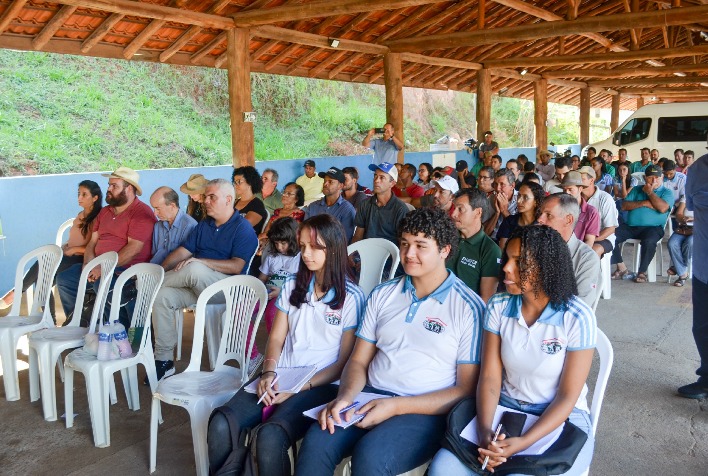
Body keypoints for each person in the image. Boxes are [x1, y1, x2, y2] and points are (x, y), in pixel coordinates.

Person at [296, 207, 484, 475]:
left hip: (424, 411)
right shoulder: (383, 294)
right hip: (368, 396)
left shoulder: (468, 307)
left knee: (371, 457)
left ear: (444, 250)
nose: (408, 254)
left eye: (421, 246)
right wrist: (345, 397)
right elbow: (359, 360)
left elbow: (465, 389)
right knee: (317, 440)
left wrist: (395, 406)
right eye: (405, 244)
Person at [428, 225, 596, 476]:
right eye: (508, 258)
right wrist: (485, 433)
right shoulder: (499, 305)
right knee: (442, 469)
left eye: (520, 262)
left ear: (546, 267)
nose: (506, 267)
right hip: (504, 410)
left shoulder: (577, 317)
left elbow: (566, 398)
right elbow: (490, 378)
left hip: (559, 418)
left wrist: (522, 443)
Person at [207, 214, 366, 476]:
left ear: (334, 248)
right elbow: (277, 338)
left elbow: (343, 364)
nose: (306, 253)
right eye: (303, 246)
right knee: (222, 422)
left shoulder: (352, 297)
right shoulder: (293, 286)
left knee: (271, 436)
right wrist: (268, 372)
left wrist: (296, 389)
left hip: (321, 383)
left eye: (315, 247)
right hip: (281, 375)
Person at [150, 179, 258, 381]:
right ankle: (164, 361)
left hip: (227, 290)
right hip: (197, 287)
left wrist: (201, 261)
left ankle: (145, 288)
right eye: (205, 196)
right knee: (161, 296)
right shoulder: (204, 225)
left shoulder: (242, 228)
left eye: (211, 197)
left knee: (195, 267)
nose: (205, 201)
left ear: (228, 199)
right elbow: (183, 251)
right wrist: (160, 270)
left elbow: (237, 266)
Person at [56, 167, 155, 329]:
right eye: (109, 185)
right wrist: (88, 266)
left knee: (102, 283)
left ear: (129, 188)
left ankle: (113, 332)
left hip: (124, 270)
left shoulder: (141, 213)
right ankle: (80, 325)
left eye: (114, 186)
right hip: (98, 267)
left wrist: (103, 268)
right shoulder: (105, 212)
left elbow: (133, 249)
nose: (108, 189)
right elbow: (92, 243)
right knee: (65, 279)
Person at [0, 180, 103, 318]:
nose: (79, 198)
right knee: (43, 272)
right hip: (68, 254)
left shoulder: (99, 218)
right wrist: (66, 245)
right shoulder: (81, 215)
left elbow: (96, 247)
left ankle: (18, 294)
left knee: (43, 270)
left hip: (81, 258)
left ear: (95, 197)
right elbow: (76, 237)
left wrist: (73, 250)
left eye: (84, 195)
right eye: (78, 194)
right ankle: (47, 319)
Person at [678, 140, 708, 399]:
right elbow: (691, 205)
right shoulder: (698, 170)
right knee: (702, 327)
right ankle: (707, 379)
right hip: (704, 267)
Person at [611, 165, 672, 283]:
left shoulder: (666, 192)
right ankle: (622, 267)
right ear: (645, 178)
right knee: (610, 236)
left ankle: (642, 272)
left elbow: (663, 208)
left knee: (649, 241)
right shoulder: (636, 189)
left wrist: (650, 193)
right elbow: (624, 206)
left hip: (654, 228)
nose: (654, 180)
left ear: (662, 177)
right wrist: (644, 203)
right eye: (651, 177)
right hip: (631, 226)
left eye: (657, 177)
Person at [537, 193, 600, 307]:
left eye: (548, 215)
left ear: (568, 220)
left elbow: (580, 307)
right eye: (540, 214)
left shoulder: (586, 259)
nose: (540, 219)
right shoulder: (534, 248)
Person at [449, 188, 501, 303]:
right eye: (454, 208)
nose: (453, 214)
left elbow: (485, 300)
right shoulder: (447, 238)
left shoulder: (490, 250)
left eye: (460, 209)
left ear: (478, 212)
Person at [257, 217, 301, 333]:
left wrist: (281, 292)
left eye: (283, 243)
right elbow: (262, 278)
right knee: (239, 311)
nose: (279, 247)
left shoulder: (300, 258)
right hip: (267, 293)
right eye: (276, 243)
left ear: (294, 240)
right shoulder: (272, 256)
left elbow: (303, 284)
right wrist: (260, 289)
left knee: (272, 315)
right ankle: (252, 351)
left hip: (286, 295)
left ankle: (278, 348)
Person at [351, 162, 409, 245]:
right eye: (375, 176)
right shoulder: (365, 205)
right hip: (366, 253)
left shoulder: (400, 209)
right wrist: (353, 254)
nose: (376, 180)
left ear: (392, 183)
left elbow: (403, 242)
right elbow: (358, 236)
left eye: (382, 177)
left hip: (390, 256)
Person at [304, 167, 357, 242]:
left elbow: (344, 240)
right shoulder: (312, 207)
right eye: (325, 181)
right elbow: (305, 233)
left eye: (330, 182)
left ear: (340, 186)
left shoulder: (347, 210)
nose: (325, 184)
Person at [149, 187, 197, 266]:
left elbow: (187, 259)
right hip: (153, 270)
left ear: (172, 206)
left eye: (158, 209)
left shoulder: (189, 225)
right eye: (153, 208)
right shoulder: (158, 226)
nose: (155, 213)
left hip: (175, 272)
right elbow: (154, 254)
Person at [580, 168, 619, 258]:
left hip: (603, 238)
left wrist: (591, 240)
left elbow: (611, 228)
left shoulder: (605, 198)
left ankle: (592, 272)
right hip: (581, 237)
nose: (579, 182)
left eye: (582, 179)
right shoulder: (576, 198)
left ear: (591, 180)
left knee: (592, 252)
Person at [497, 181, 544, 250]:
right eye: (519, 195)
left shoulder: (542, 225)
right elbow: (502, 251)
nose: (519, 201)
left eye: (525, 197)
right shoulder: (509, 221)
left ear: (536, 202)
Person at [561, 171, 600, 248]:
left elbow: (589, 241)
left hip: (578, 253)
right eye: (564, 190)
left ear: (580, 189)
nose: (566, 193)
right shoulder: (558, 208)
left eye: (570, 189)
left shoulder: (591, 212)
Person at [232, 166, 268, 235]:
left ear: (250, 183)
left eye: (239, 182)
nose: (236, 185)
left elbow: (242, 227)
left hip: (247, 242)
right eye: (234, 182)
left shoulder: (257, 205)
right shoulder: (235, 202)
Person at [485, 169, 518, 240]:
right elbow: (485, 233)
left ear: (512, 186)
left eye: (502, 184)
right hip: (492, 240)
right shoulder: (491, 198)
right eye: (495, 184)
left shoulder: (520, 200)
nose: (497, 188)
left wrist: (504, 210)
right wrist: (497, 213)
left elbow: (517, 232)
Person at [667, 197, 693, 287]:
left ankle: (680, 272)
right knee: (672, 243)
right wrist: (684, 219)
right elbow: (678, 213)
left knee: (690, 243)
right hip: (684, 228)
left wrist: (694, 220)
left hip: (701, 229)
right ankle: (683, 272)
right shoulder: (687, 195)